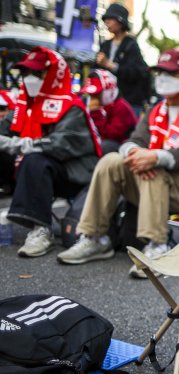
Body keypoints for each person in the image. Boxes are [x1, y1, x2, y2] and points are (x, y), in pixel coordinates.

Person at [57, 49, 179, 275]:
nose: (163, 77)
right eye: (160, 72)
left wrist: (153, 157)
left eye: (171, 73)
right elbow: (133, 141)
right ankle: (94, 237)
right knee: (111, 160)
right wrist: (135, 154)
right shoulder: (154, 110)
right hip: (151, 183)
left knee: (155, 169)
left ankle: (157, 245)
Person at [0, 47, 101, 258]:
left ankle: (41, 229)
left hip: (75, 173)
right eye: (26, 74)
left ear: (55, 74)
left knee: (34, 158)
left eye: (37, 74)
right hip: (41, 168)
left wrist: (14, 144)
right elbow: (5, 129)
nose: (29, 79)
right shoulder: (25, 106)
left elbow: (58, 145)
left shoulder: (71, 105)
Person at [96, 3, 149, 116]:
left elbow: (135, 73)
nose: (107, 22)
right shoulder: (106, 44)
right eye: (106, 19)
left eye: (111, 19)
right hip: (107, 101)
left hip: (128, 101)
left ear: (120, 21)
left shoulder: (131, 45)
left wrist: (110, 64)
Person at [80, 69, 137, 155]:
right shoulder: (100, 105)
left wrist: (95, 113)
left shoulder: (121, 107)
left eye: (96, 94)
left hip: (121, 147)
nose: (92, 98)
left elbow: (112, 136)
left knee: (103, 146)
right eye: (91, 95)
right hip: (105, 141)